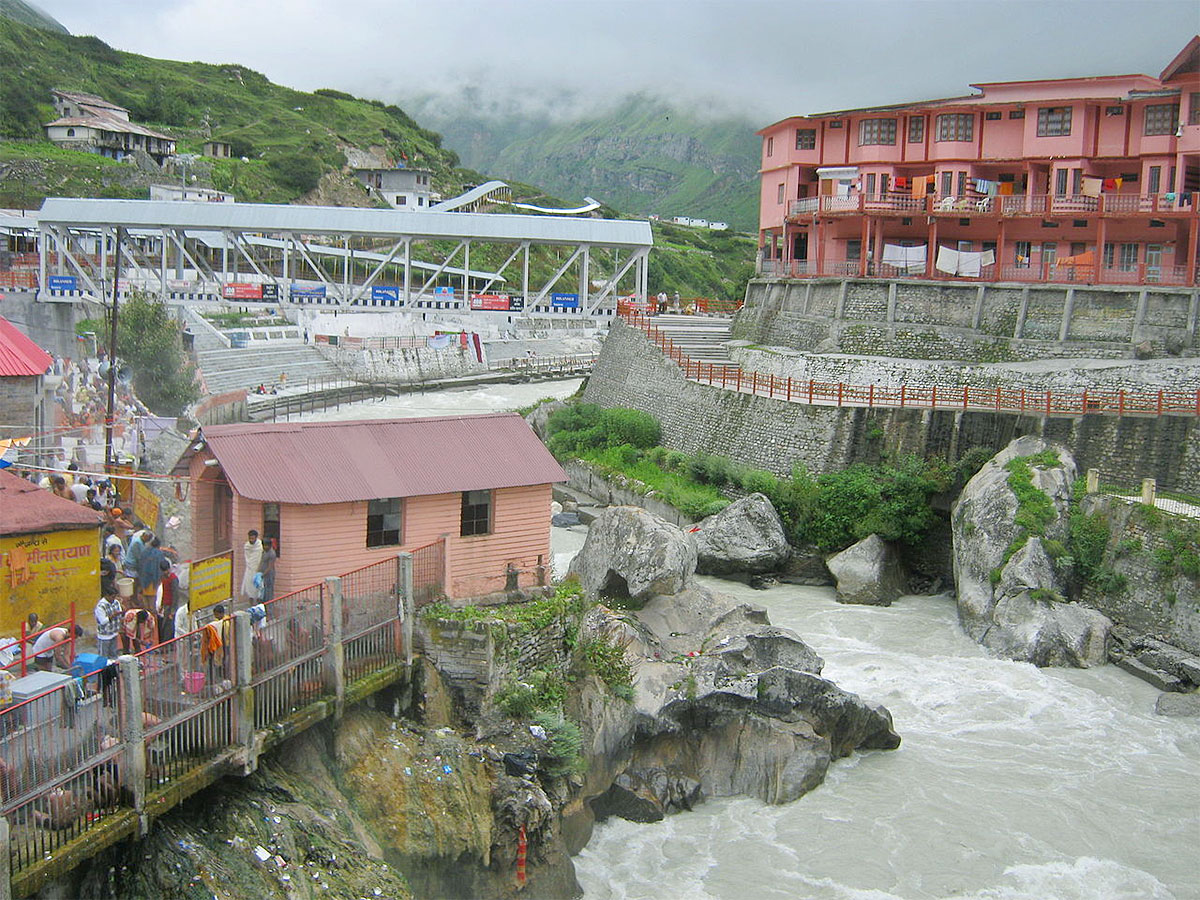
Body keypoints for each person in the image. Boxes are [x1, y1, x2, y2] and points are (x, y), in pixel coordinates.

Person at [95, 590, 122, 659]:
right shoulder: (100, 606)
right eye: (112, 597)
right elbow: (103, 621)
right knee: (103, 657)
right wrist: (113, 615)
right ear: (107, 596)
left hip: (114, 633)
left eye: (115, 597)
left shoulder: (116, 602)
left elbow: (120, 613)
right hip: (104, 635)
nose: (114, 599)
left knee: (113, 655)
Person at [241, 530, 263, 602]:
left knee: (258, 585)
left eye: (253, 538)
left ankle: (258, 602)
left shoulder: (259, 545)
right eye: (250, 538)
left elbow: (259, 557)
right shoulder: (247, 546)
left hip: (258, 569)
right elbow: (247, 557)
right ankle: (251, 600)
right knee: (249, 585)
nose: (251, 540)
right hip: (249, 569)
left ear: (256, 538)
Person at [258, 538, 277, 604]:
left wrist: (263, 574)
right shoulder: (264, 551)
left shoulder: (272, 553)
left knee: (269, 591)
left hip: (269, 574)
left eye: (266, 546)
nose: (265, 547)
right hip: (263, 573)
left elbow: (270, 566)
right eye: (264, 545)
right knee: (263, 590)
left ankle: (269, 605)